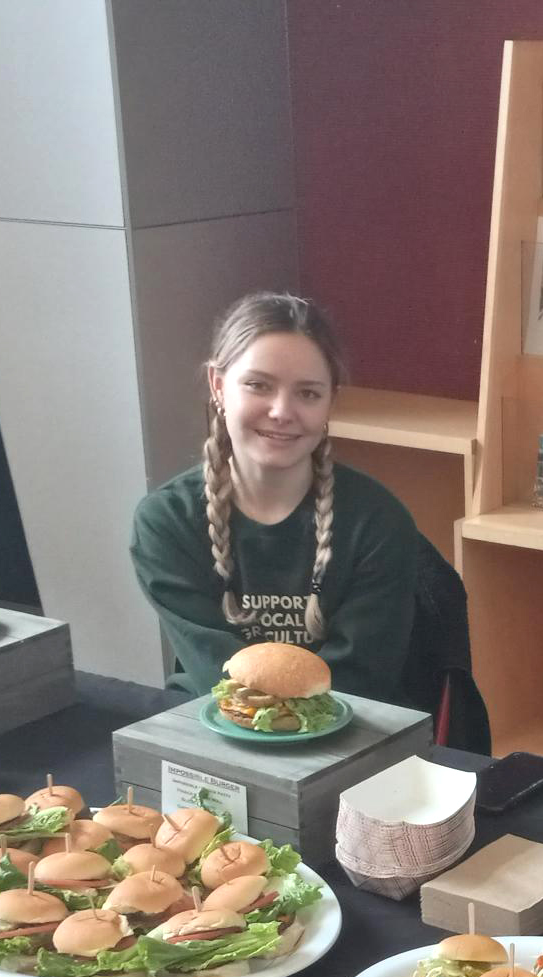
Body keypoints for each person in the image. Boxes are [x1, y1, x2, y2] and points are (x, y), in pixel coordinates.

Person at [129, 291, 422, 703]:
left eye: (308, 393)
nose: (282, 411)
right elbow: (217, 675)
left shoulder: (377, 522)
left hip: (345, 732)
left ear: (329, 402)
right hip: (217, 727)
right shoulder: (166, 521)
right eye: (258, 385)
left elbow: (361, 680)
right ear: (218, 385)